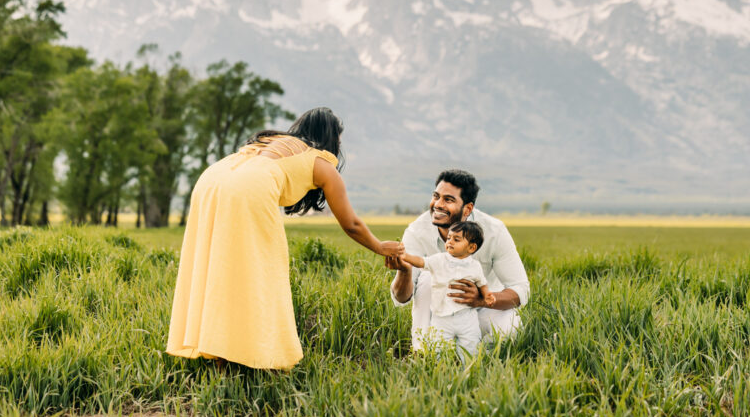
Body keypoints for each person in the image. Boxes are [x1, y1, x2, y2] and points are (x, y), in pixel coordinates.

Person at [166, 107, 404, 370]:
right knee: (265, 273)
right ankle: (258, 357)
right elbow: (351, 224)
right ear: (333, 138)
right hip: (248, 186)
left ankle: (221, 353)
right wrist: (379, 246)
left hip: (212, 179)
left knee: (222, 268)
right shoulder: (321, 162)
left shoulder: (274, 141)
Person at [387, 169, 529, 350]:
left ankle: (475, 360)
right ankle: (424, 352)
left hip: (482, 311)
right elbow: (401, 298)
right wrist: (405, 271)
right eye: (436, 196)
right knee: (428, 276)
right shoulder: (417, 232)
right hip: (438, 315)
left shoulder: (495, 231)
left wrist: (481, 299)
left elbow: (521, 289)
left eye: (448, 200)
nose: (437, 204)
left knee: (512, 328)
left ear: (468, 209)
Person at [400, 221, 496, 356]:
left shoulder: (475, 266)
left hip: (466, 317)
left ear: (471, 248)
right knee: (438, 347)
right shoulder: (439, 260)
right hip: (441, 316)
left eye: (456, 239)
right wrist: (405, 256)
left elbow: (482, 283)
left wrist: (486, 295)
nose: (450, 241)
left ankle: (468, 369)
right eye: (449, 238)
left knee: (470, 346)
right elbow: (422, 261)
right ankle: (440, 369)